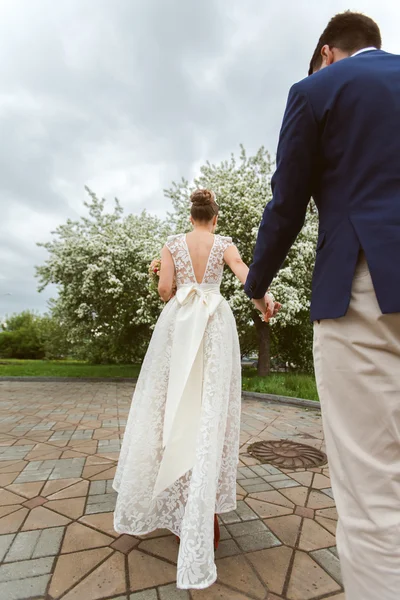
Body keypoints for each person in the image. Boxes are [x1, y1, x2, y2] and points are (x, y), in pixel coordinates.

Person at [245, 11, 400, 600]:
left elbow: (287, 201)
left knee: (373, 495)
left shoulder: (316, 90)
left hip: (367, 292)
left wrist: (258, 280)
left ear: (328, 53)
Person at [113, 188, 278, 590]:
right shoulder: (224, 244)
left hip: (180, 324)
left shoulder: (172, 243)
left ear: (192, 217)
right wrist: (264, 302)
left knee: (172, 402)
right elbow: (248, 277)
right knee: (208, 406)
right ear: (215, 218)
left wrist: (160, 275)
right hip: (214, 324)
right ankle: (203, 508)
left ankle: (176, 494)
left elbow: (167, 292)